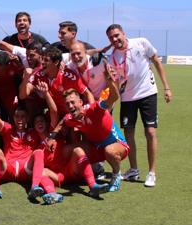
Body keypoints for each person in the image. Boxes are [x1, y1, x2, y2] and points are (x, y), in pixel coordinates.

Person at [106, 24, 172, 187]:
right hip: (127, 98)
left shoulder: (141, 43)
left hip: (148, 93)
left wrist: (166, 87)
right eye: (111, 38)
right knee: (129, 134)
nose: (115, 39)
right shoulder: (112, 58)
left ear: (123, 33)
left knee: (150, 132)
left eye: (116, 35)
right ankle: (134, 170)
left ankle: (151, 173)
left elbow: (156, 61)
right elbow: (114, 84)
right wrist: (110, 105)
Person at [50, 64, 130, 192]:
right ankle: (84, 174)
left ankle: (116, 175)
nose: (70, 106)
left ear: (81, 102)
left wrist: (109, 81)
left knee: (109, 151)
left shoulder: (94, 109)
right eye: (67, 104)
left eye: (73, 102)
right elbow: (62, 122)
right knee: (68, 150)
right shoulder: (70, 118)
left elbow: (114, 97)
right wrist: (52, 137)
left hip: (116, 144)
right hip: (97, 147)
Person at [0, 82, 64, 204]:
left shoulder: (34, 132)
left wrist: (46, 94)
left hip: (26, 170)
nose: (20, 119)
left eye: (23, 117)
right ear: (13, 118)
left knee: (38, 152)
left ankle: (34, 187)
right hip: (7, 169)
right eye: (17, 116)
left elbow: (53, 115)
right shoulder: (8, 129)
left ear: (27, 119)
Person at [20, 46, 95, 117]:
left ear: (56, 62)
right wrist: (26, 78)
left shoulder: (69, 76)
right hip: (53, 115)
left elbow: (88, 93)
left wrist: (92, 112)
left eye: (46, 60)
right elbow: (22, 95)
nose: (42, 62)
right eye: (42, 59)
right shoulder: (38, 74)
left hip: (71, 114)